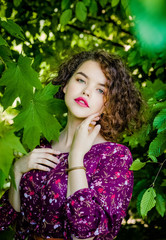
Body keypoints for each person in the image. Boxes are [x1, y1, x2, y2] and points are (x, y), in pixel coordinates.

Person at [0, 50, 143, 240]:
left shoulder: (115, 157)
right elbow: (11, 218)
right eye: (81, 80)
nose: (86, 91)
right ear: (66, 84)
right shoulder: (43, 144)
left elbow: (84, 234)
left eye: (100, 90)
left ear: (109, 103)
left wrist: (76, 157)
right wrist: (17, 170)